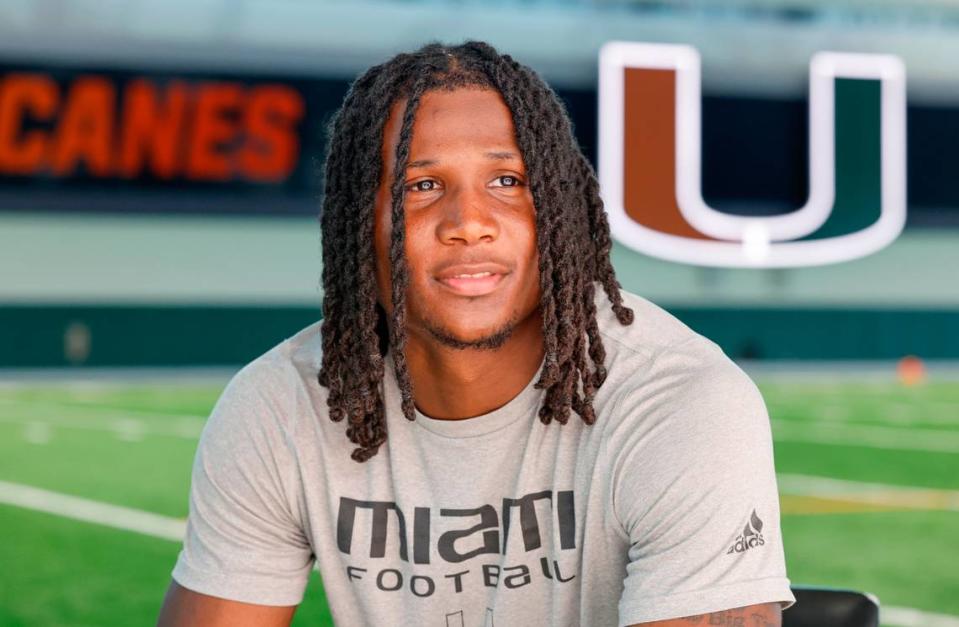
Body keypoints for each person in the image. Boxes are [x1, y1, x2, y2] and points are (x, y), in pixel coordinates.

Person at [157, 41, 795, 626]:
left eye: (507, 182)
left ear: (561, 207)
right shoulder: (279, 407)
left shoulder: (682, 404)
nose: (468, 223)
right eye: (422, 185)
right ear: (360, 223)